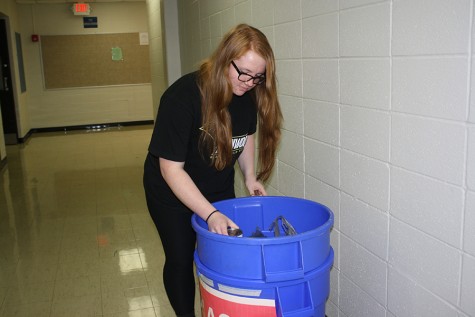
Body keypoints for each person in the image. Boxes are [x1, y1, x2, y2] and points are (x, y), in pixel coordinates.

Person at [143, 23, 283, 317]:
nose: (248, 82)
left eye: (258, 77)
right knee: (181, 258)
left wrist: (249, 176)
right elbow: (170, 170)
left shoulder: (248, 92)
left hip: (217, 184)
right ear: (223, 59)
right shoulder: (182, 98)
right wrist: (210, 213)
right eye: (242, 72)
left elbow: (244, 137)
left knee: (220, 255)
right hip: (171, 190)